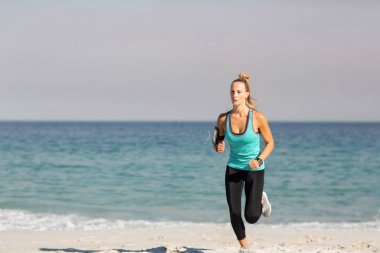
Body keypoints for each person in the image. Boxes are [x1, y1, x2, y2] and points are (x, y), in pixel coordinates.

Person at [213, 73, 275, 253]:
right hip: (233, 169)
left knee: (252, 216)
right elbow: (218, 138)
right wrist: (218, 145)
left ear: (246, 94)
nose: (235, 95)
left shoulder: (257, 118)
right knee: (233, 211)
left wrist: (259, 159)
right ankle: (245, 248)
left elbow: (270, 143)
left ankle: (261, 200)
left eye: (239, 92)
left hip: (254, 170)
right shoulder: (223, 119)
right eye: (232, 92)